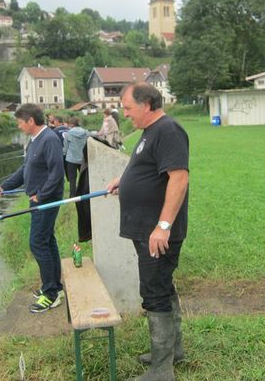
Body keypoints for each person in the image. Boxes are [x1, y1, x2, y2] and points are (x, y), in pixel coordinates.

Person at [106, 82, 189, 381]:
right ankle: (172, 351)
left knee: (154, 292)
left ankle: (162, 370)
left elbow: (179, 178)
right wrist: (124, 180)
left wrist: (163, 226)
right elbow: (149, 167)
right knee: (162, 286)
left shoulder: (168, 130)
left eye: (128, 108)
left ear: (146, 105)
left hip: (157, 231)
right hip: (145, 229)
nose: (125, 114)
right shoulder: (150, 131)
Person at [0, 104, 65, 313]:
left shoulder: (49, 139)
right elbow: (25, 169)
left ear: (31, 121)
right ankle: (55, 287)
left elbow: (57, 173)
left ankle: (50, 294)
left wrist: (41, 195)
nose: (18, 126)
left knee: (38, 243)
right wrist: (4, 187)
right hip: (38, 200)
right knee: (47, 240)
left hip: (45, 201)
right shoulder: (35, 141)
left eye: (20, 122)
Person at [63, 116, 88, 197]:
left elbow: (65, 148)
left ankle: (72, 196)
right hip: (83, 159)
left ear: (71, 124)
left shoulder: (68, 134)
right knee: (84, 178)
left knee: (72, 179)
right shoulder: (86, 133)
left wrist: (64, 155)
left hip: (71, 159)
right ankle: (84, 193)